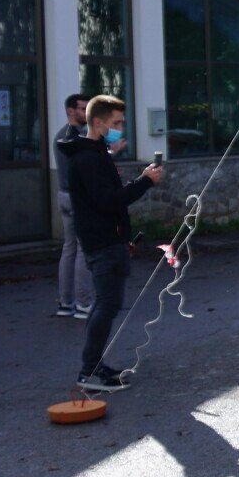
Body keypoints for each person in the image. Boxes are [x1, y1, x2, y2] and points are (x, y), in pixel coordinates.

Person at [61, 96, 162, 392]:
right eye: (116, 123)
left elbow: (108, 198)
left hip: (108, 240)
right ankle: (89, 371)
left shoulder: (96, 153)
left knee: (105, 304)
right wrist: (145, 182)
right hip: (102, 243)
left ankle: (94, 366)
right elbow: (108, 200)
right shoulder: (88, 158)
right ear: (98, 122)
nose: (120, 128)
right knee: (106, 305)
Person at [53, 93, 94, 319]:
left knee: (69, 248)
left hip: (65, 195)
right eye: (82, 108)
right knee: (83, 248)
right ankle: (83, 303)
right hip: (77, 198)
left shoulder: (62, 134)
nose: (87, 112)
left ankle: (66, 302)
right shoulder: (74, 137)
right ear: (70, 111)